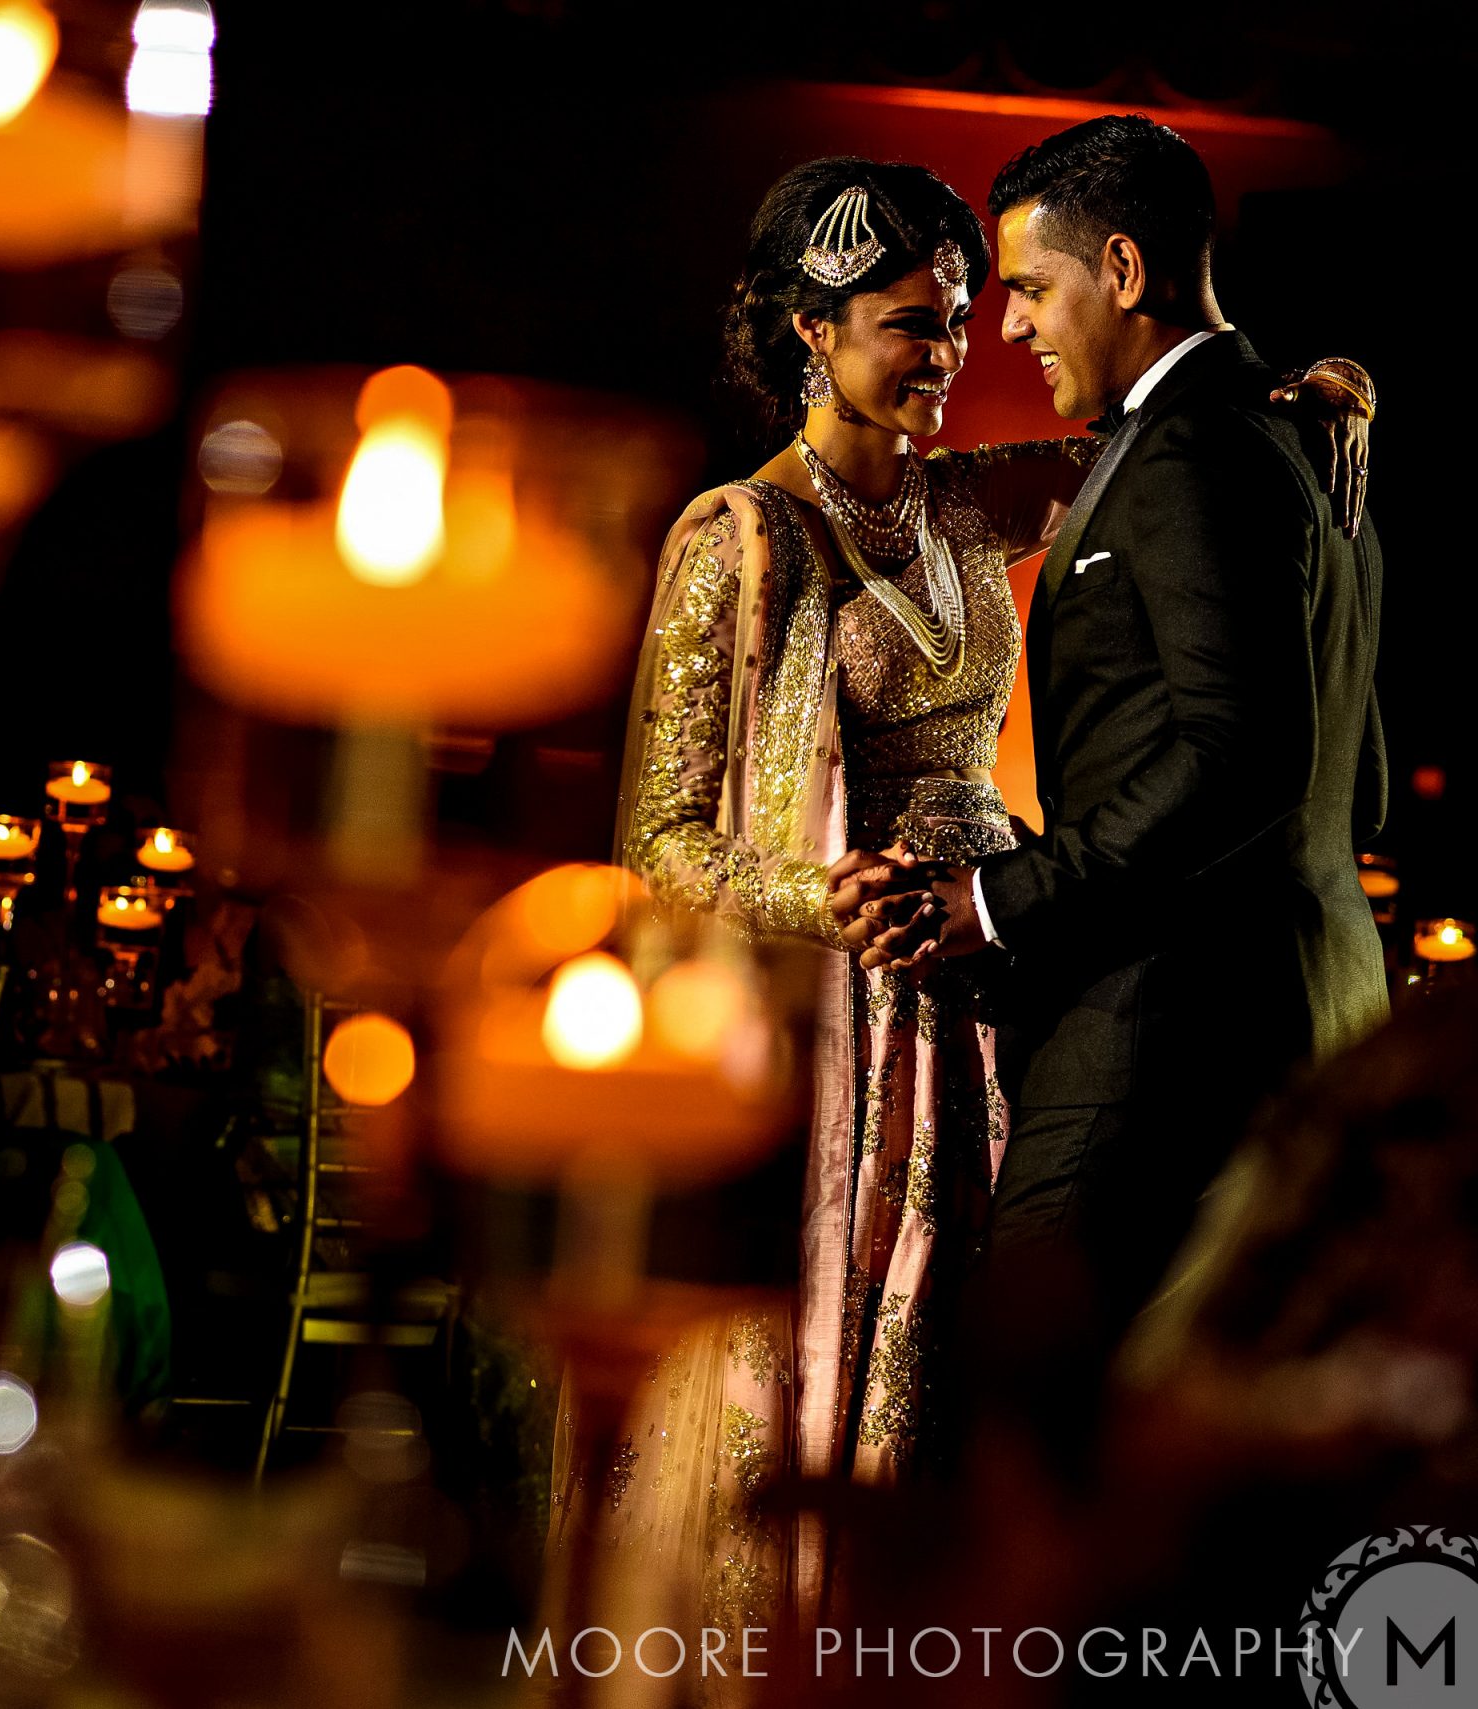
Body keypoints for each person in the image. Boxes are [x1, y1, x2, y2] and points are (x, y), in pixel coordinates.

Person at [549, 153, 1372, 1644]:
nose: (950, 355)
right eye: (905, 324)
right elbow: (660, 840)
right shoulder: (737, 537)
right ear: (812, 330)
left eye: (960, 316)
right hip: (846, 1013)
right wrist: (826, 890)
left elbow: (1166, 438)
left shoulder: (966, 506)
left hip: (997, 979)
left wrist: (1300, 397)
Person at [866, 114, 1389, 1461]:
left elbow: (1240, 756)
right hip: (1313, 1015)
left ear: (1123, 266)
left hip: (1167, 1030)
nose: (1016, 328)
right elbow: (1355, 781)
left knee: (1027, 1426)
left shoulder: (1197, 450)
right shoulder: (1306, 449)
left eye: (1032, 291)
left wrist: (997, 900)